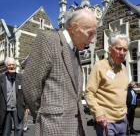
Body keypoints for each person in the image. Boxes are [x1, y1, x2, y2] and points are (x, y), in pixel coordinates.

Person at [22, 8, 97, 136]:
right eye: (90, 33)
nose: (92, 40)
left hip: (78, 128)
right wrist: (46, 115)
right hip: (54, 128)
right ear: (74, 28)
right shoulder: (48, 40)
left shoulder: (75, 51)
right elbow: (30, 86)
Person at [85, 34, 129, 136]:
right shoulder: (99, 66)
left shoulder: (124, 69)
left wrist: (125, 111)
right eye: (119, 48)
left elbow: (123, 92)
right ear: (110, 49)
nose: (122, 53)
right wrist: (98, 112)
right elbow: (89, 93)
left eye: (125, 50)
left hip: (123, 120)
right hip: (106, 121)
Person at [0, 57, 25, 136]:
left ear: (16, 66)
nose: (12, 66)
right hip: (5, 108)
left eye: (13, 65)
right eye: (9, 65)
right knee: (6, 130)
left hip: (18, 108)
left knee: (19, 129)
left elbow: (25, 93)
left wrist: (27, 107)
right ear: (6, 66)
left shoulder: (21, 77)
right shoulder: (1, 78)